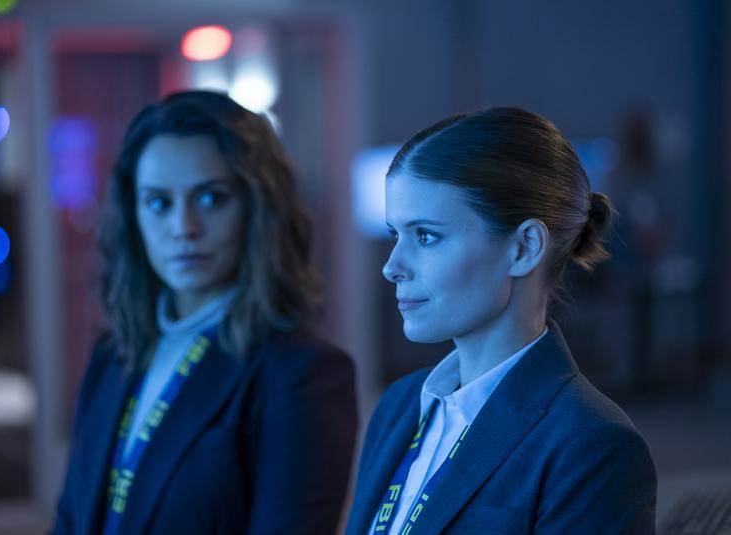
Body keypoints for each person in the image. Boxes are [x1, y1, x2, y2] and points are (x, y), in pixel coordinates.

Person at [52, 90, 357, 535]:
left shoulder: (301, 374)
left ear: (257, 208)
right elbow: (71, 518)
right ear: (133, 216)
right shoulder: (114, 353)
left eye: (212, 198)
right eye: (159, 203)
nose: (184, 227)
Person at [346, 108, 657, 534]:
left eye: (426, 236)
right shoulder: (400, 405)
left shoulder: (591, 446)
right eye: (395, 234)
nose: (392, 266)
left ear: (524, 248)